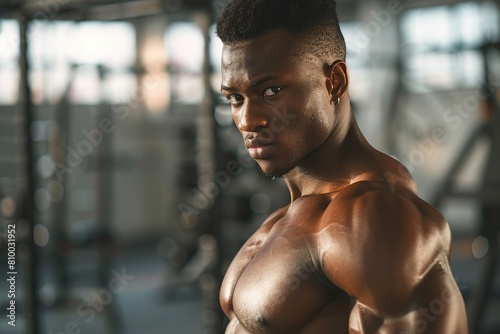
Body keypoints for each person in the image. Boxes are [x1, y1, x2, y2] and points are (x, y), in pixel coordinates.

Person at [215, 0, 468, 333]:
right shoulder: (293, 215)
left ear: (334, 82)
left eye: (271, 91)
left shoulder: (374, 216)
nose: (248, 120)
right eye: (235, 98)